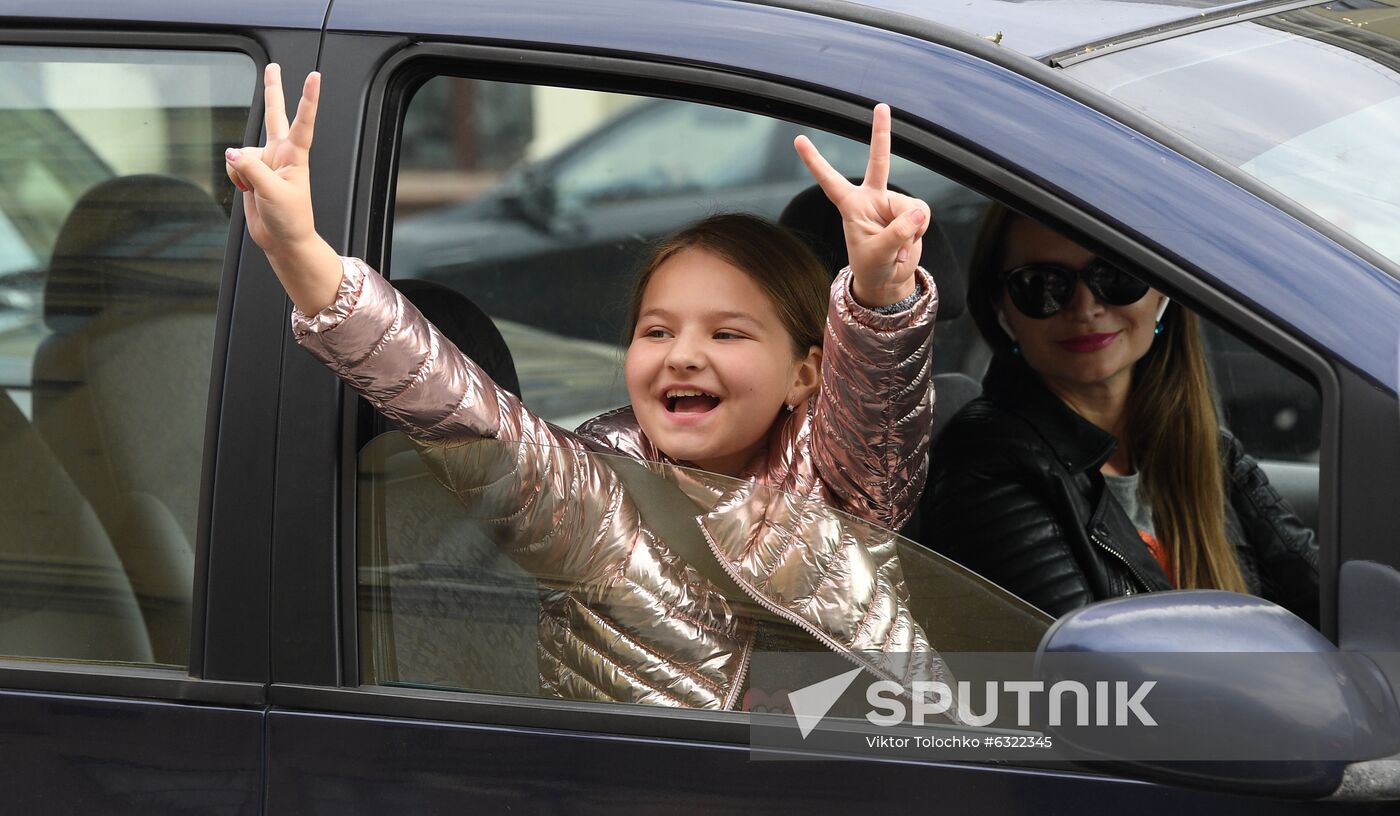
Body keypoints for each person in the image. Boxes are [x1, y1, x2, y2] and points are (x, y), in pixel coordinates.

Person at [226, 64, 948, 709]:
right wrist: (301, 254)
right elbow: (464, 410)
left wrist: (882, 294)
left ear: (806, 374)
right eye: (657, 331)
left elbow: (882, 404)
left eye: (727, 334)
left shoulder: (846, 483)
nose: (683, 356)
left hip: (893, 790)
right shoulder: (599, 502)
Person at [918, 206, 1319, 624]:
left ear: (1162, 291)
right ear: (1002, 309)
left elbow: (1324, 596)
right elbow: (1094, 677)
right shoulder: (987, 466)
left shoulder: (1207, 448)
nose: (1085, 307)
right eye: (1043, 286)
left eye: (1114, 276)